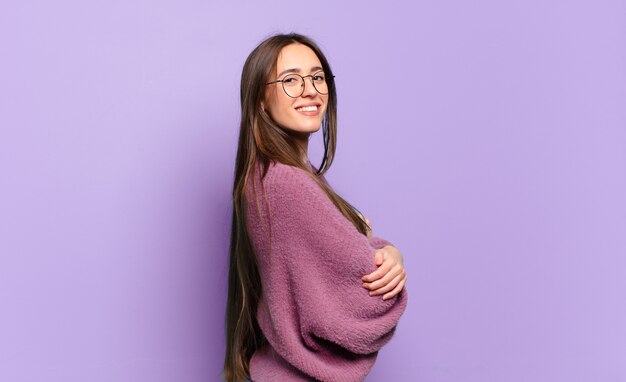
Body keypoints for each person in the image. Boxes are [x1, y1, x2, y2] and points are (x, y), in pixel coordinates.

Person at [224, 33, 409, 382]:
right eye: (290, 80)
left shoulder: (273, 176)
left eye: (318, 77)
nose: (310, 90)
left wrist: (382, 248)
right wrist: (385, 252)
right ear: (260, 99)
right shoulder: (287, 184)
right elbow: (370, 298)